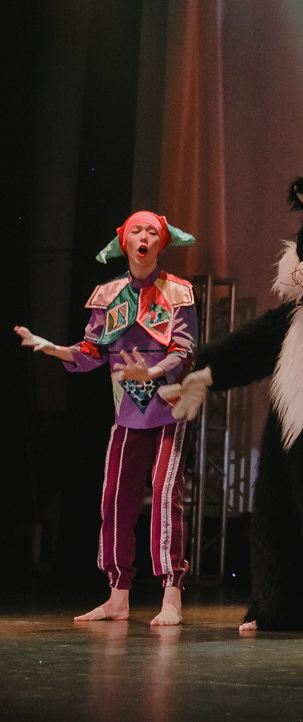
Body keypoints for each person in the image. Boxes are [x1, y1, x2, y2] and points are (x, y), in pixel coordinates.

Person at [14, 211, 196, 626]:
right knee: (115, 498)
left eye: (152, 231)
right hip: (128, 411)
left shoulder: (178, 291)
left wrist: (151, 371)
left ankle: (171, 596)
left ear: (162, 242)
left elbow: (184, 350)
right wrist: (54, 349)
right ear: (125, 241)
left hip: (170, 407)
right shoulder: (109, 294)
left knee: (165, 495)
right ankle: (117, 597)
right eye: (137, 230)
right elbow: (91, 351)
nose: (144, 236)